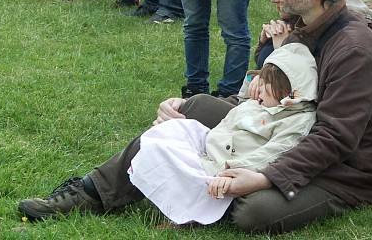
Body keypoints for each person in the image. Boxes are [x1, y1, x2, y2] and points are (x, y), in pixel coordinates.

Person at [18, 0, 372, 234]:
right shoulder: (308, 21)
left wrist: (266, 177)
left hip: (344, 172)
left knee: (254, 212)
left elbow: (335, 137)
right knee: (194, 106)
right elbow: (273, 93)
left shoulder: (355, 51)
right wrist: (262, 60)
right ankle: (93, 191)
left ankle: (194, 183)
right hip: (287, 125)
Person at [128, 42, 318, 226]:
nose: (258, 87)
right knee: (173, 131)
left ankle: (185, 213)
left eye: (266, 83)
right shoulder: (261, 102)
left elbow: (274, 151)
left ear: (289, 93)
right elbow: (241, 99)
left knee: (185, 169)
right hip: (211, 147)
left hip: (225, 165)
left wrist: (234, 168)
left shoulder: (296, 120)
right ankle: (151, 161)